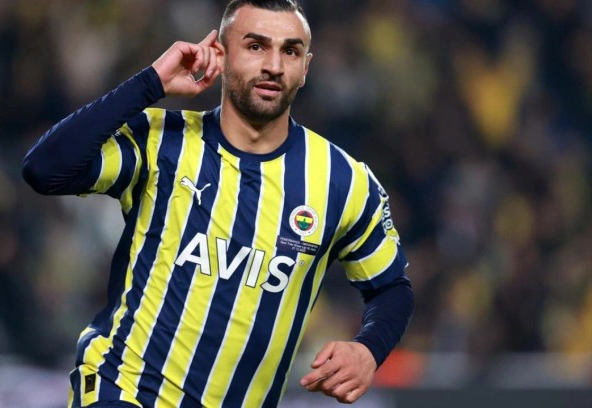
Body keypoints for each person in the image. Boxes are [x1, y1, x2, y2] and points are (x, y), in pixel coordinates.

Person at [22, 1, 414, 406]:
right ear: (221, 55)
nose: (274, 66)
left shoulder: (343, 181)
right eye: (256, 47)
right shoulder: (162, 140)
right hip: (124, 390)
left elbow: (391, 287)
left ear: (305, 68)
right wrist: (151, 83)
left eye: (290, 51)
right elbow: (45, 169)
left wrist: (369, 349)